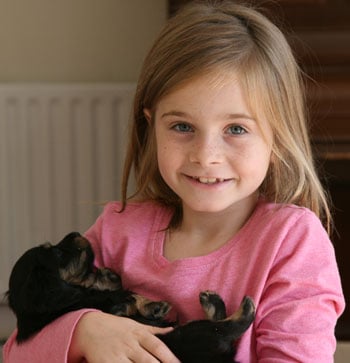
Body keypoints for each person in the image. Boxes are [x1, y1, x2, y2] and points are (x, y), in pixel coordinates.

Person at [3, 1, 345, 362]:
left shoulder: (290, 240)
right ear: (151, 125)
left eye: (236, 129)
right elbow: (16, 352)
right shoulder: (120, 230)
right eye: (182, 127)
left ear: (277, 138)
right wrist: (84, 331)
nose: (205, 155)